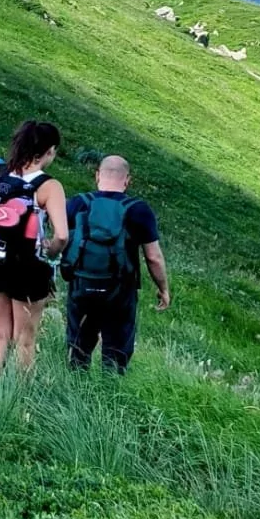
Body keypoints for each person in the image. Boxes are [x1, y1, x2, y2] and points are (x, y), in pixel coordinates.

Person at [0, 120, 69, 386]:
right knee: (24, 339)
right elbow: (62, 234)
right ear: (48, 151)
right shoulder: (50, 187)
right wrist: (51, 251)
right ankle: (18, 398)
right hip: (28, 268)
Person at [61, 155, 170, 373]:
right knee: (116, 351)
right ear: (127, 180)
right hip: (120, 291)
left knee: (78, 347)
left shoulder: (76, 203)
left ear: (97, 175)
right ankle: (110, 392)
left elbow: (61, 241)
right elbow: (153, 257)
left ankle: (74, 386)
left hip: (81, 286)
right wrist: (163, 288)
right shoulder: (139, 210)